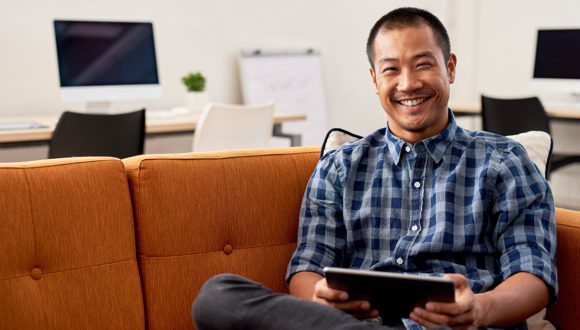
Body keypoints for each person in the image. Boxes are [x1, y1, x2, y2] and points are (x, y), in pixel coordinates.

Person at [192, 7, 557, 330]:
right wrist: (320, 297)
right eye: (391, 70)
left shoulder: (505, 161)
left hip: (459, 328)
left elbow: (533, 274)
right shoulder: (339, 167)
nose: (408, 83)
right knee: (218, 294)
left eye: (423, 64)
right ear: (374, 80)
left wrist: (480, 308)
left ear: (450, 67)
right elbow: (308, 267)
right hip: (355, 323)